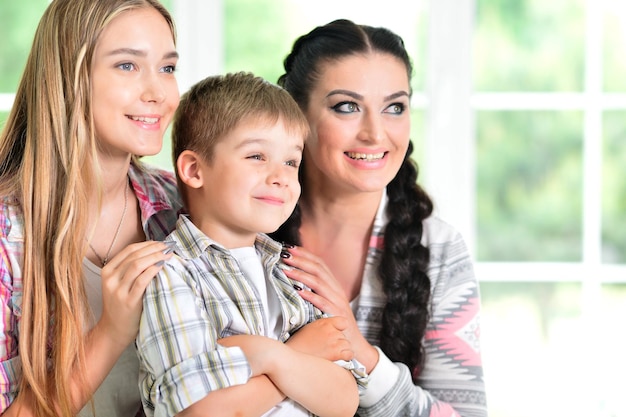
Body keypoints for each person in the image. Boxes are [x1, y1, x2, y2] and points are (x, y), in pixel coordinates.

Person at [269, 19, 488, 417]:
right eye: (347, 107)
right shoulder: (241, 233)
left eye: (394, 107)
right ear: (296, 114)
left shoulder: (439, 250)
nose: (375, 133)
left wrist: (363, 354)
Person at [136, 71, 362, 417]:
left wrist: (270, 356)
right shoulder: (171, 274)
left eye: (291, 162)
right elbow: (200, 413)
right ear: (195, 170)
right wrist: (298, 356)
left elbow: (345, 400)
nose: (281, 176)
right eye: (257, 156)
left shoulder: (291, 272)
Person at [0, 1, 183, 416]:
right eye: (127, 66)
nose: (157, 93)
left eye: (168, 68)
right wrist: (112, 332)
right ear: (69, 76)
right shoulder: (7, 233)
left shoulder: (179, 204)